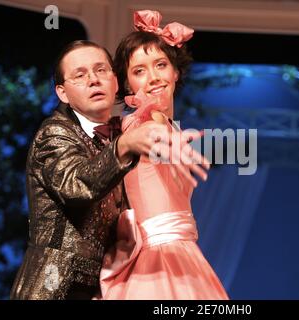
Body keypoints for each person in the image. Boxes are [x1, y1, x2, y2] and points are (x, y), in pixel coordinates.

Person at [10, 40, 207, 300]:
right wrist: (126, 145)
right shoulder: (55, 133)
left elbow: (150, 120)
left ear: (116, 82)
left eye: (101, 70)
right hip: (56, 288)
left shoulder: (122, 131)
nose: (93, 80)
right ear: (62, 93)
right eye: (80, 75)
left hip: (107, 285)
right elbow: (77, 184)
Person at [97, 10, 229, 300]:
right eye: (139, 71)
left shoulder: (168, 126)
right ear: (128, 84)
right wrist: (165, 140)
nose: (154, 77)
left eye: (160, 64)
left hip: (184, 256)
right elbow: (145, 135)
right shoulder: (139, 122)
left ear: (175, 72)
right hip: (157, 261)